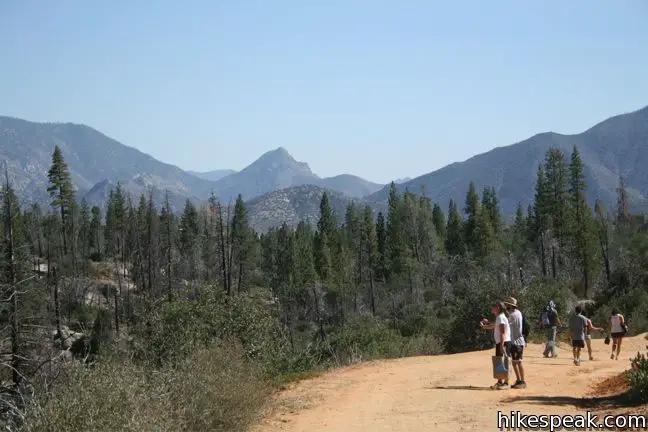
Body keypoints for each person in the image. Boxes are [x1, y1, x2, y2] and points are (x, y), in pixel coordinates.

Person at [480, 301, 511, 389]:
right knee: (500, 362)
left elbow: (502, 332)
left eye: (493, 307)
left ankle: (505, 382)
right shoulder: (499, 317)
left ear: (498, 307)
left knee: (503, 362)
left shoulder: (501, 317)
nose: (491, 308)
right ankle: (500, 381)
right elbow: (494, 326)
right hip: (502, 342)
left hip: (503, 342)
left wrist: (501, 345)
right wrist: (485, 326)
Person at [503, 297, 526, 389]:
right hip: (517, 341)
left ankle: (522, 381)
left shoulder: (513, 315)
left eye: (507, 305)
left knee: (518, 362)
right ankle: (519, 380)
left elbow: (504, 323)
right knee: (515, 362)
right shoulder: (518, 313)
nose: (506, 306)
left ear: (511, 306)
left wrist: (489, 324)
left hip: (516, 342)